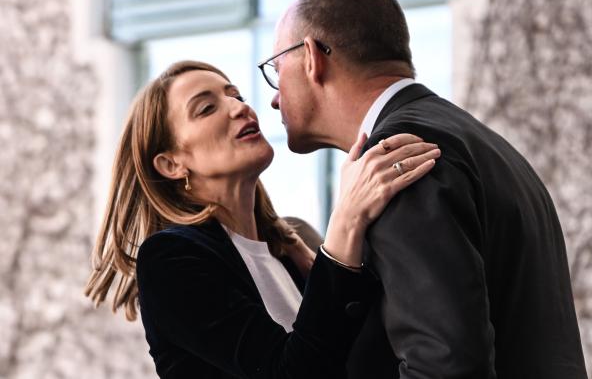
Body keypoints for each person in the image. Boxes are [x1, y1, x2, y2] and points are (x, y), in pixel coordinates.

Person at [260, 0, 588, 378]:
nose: (274, 98)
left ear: (312, 57)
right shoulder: (480, 142)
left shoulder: (396, 161)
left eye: (277, 68)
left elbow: (446, 367)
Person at [84, 60, 441, 379]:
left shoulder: (290, 248)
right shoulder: (169, 260)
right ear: (171, 164)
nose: (239, 108)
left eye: (235, 95)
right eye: (207, 108)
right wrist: (346, 220)